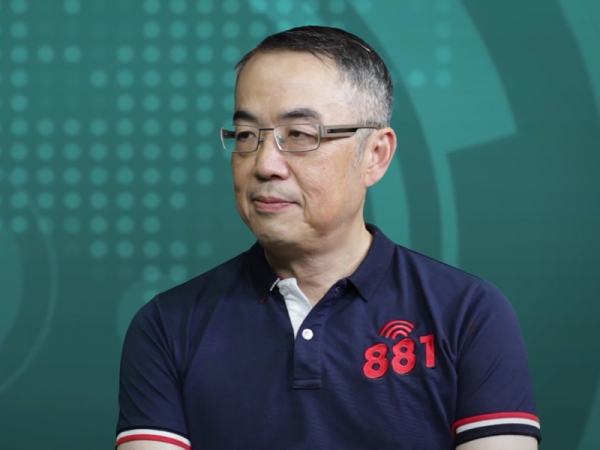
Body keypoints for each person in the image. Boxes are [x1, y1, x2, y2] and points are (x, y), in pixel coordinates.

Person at [116, 26, 540, 449]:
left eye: (300, 135)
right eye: (246, 135)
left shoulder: (467, 313)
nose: (264, 165)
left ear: (375, 155)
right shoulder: (168, 326)